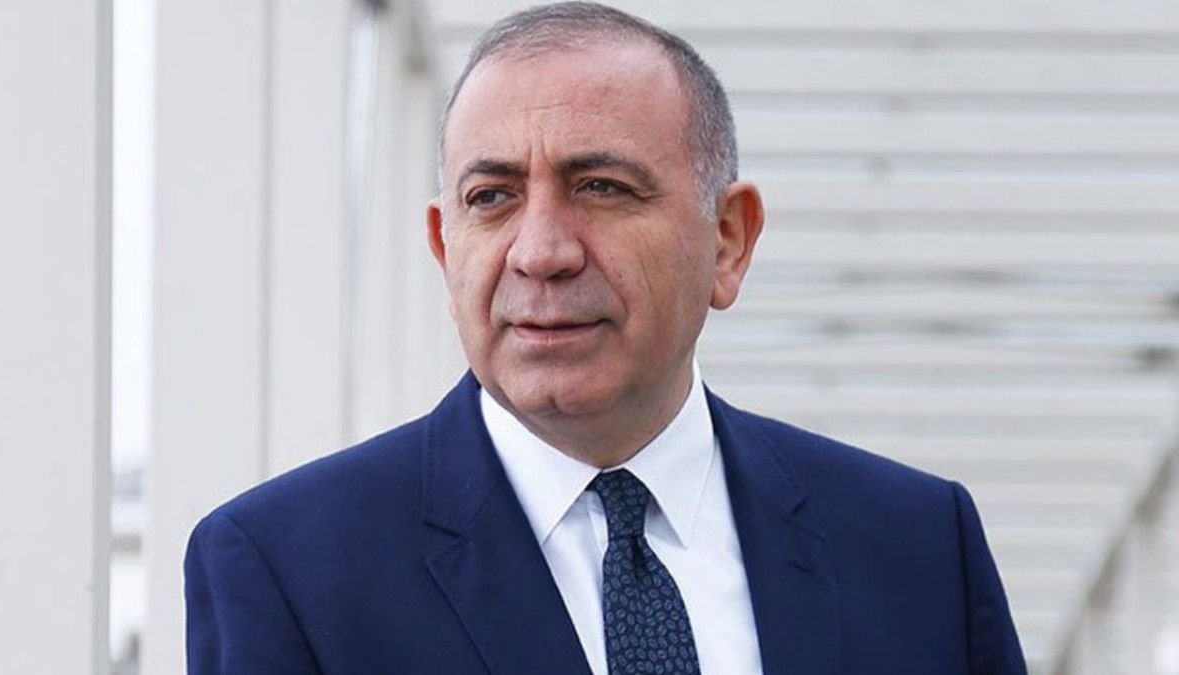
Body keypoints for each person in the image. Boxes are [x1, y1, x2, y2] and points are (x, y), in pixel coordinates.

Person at [184, 3, 1028, 674]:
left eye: (601, 186)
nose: (541, 251)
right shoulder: (288, 571)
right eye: (491, 197)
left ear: (727, 241)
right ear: (445, 249)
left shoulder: (919, 549)